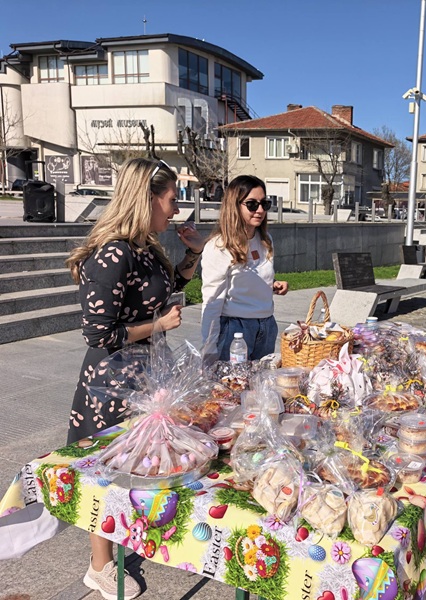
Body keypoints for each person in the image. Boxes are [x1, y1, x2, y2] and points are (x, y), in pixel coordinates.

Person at [65, 157, 204, 599]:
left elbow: (163, 291)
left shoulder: (145, 248)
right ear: (145, 198)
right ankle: (99, 565)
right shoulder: (113, 254)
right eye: (170, 201)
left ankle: (130, 532)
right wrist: (159, 326)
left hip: (144, 374)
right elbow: (98, 333)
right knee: (104, 470)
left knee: (139, 462)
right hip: (112, 381)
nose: (175, 211)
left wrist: (193, 255)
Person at [201, 175, 289, 361]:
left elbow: (251, 275)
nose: (259, 210)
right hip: (236, 330)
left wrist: (270, 284)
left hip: (267, 325)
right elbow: (212, 301)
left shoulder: (265, 240)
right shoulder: (219, 246)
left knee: (260, 387)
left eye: (264, 204)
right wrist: (208, 348)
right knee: (231, 387)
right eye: (251, 204)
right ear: (235, 205)